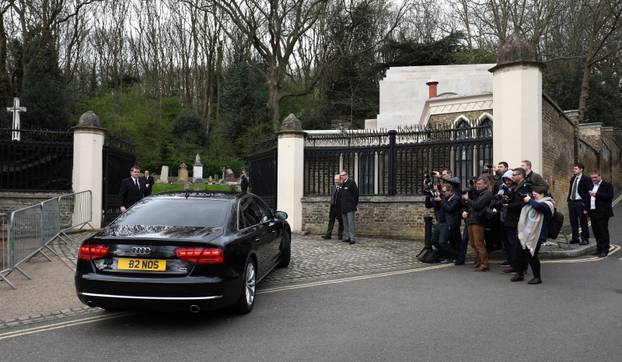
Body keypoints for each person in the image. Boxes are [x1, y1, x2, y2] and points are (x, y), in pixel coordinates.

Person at [513, 185, 555, 284]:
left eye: (535, 194)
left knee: (532, 255)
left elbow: (539, 207)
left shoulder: (548, 203)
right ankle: (519, 274)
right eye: (532, 194)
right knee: (518, 253)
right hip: (524, 233)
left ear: (542, 194)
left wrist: (530, 201)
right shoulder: (532, 202)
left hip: (537, 234)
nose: (533, 196)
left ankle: (537, 277)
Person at [462, 177, 493, 271]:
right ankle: (479, 261)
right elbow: (473, 206)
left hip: (478, 221)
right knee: (473, 243)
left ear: (485, 185)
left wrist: (468, 199)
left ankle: (484, 264)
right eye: (477, 184)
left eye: (479, 184)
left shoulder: (487, 194)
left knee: (479, 243)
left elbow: (478, 205)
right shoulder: (479, 194)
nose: (477, 186)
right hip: (472, 220)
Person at [588, 171, 614, 257]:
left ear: (600, 176)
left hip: (602, 212)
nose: (593, 179)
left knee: (603, 231)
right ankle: (599, 249)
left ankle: (605, 250)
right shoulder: (591, 185)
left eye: (595, 177)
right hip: (593, 211)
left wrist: (596, 194)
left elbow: (609, 196)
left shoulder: (607, 185)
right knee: (596, 232)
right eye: (592, 178)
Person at [566, 163, 591, 245]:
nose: (574, 170)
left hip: (580, 202)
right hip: (572, 202)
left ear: (581, 169)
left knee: (583, 222)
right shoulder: (573, 178)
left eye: (576, 169)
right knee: (573, 221)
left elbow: (588, 193)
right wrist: (569, 200)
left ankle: (585, 239)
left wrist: (586, 205)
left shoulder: (586, 179)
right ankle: (575, 238)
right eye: (574, 168)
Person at [439, 184, 461, 261]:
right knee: (449, 241)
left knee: (455, 241)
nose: (443, 193)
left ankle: (458, 256)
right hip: (446, 223)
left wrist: (441, 201)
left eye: (444, 191)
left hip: (453, 223)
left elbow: (449, 208)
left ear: (450, 191)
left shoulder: (456, 198)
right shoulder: (446, 198)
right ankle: (451, 256)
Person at [339, 170, 359, 245]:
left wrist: (354, 204)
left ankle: (352, 238)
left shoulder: (351, 183)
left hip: (350, 207)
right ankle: (347, 237)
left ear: (347, 175)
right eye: (341, 175)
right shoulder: (342, 184)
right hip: (343, 206)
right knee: (345, 223)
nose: (342, 177)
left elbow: (356, 195)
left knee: (351, 223)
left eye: (343, 175)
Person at [322, 174, 344, 240]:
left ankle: (340, 235)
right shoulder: (333, 187)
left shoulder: (343, 187)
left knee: (341, 221)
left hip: (339, 207)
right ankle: (328, 235)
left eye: (337, 179)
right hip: (333, 206)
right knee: (331, 220)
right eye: (335, 179)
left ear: (340, 180)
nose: (336, 181)